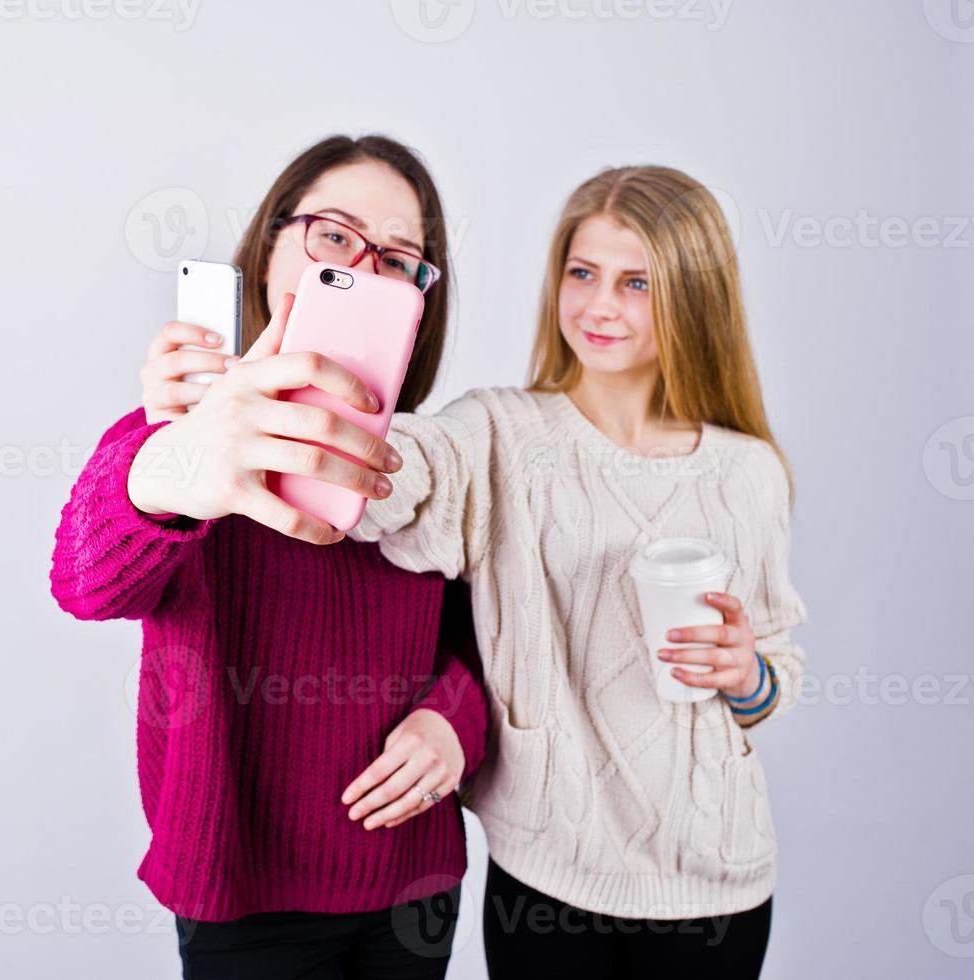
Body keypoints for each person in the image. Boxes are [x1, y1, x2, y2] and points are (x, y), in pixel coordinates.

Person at [345, 165, 807, 979]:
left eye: (636, 283)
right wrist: (334, 406)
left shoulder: (747, 473)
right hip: (548, 874)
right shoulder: (499, 434)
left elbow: (773, 676)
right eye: (582, 273)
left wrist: (747, 674)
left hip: (713, 879)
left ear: (693, 296)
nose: (599, 305)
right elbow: (400, 483)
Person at [50, 135, 488, 979]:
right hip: (237, 883)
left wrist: (453, 724)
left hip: (409, 874)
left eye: (398, 258)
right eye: (332, 236)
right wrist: (169, 459)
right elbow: (85, 584)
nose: (362, 269)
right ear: (265, 253)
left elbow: (481, 644)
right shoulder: (185, 438)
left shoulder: (440, 461)